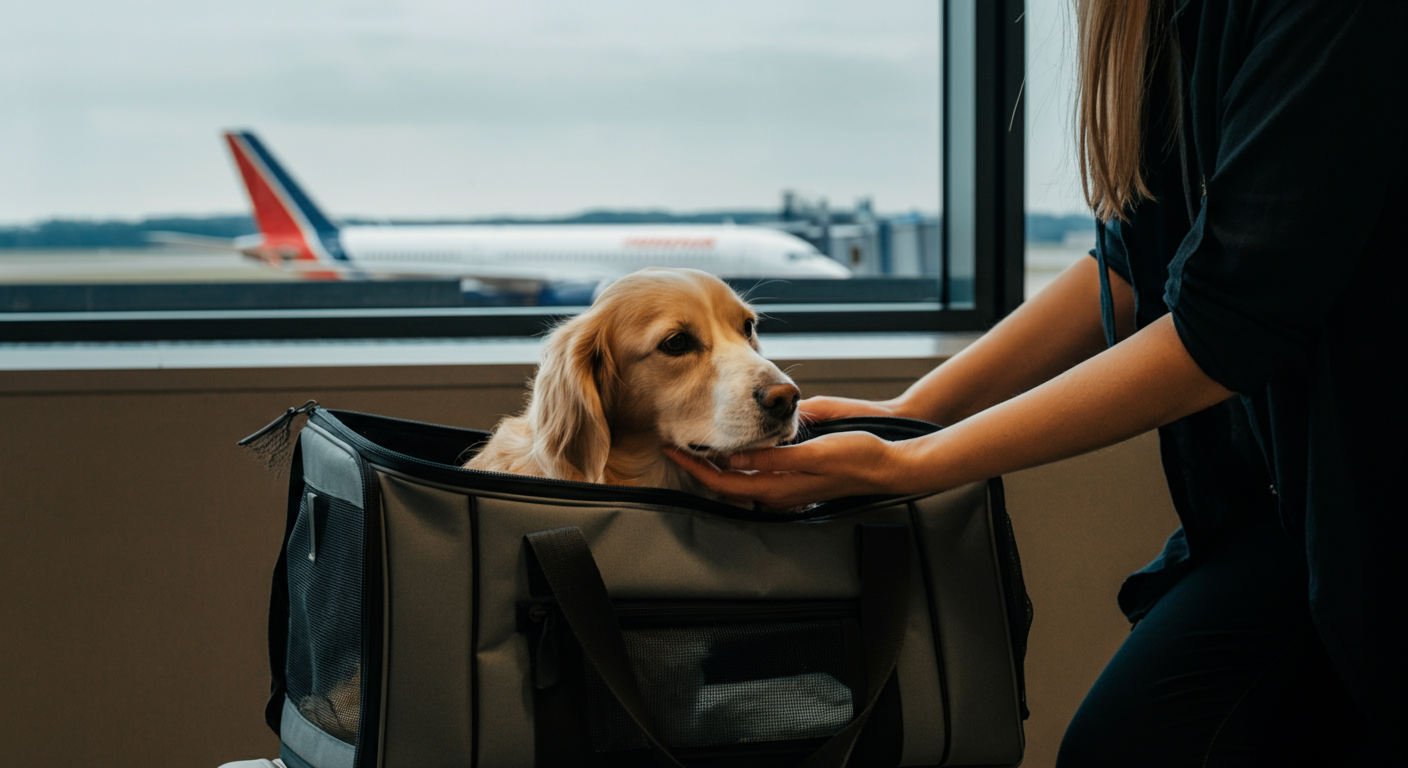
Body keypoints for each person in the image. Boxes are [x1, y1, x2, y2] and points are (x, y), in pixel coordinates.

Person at [668, 0, 1405, 763]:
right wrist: (913, 412)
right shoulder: (1151, 27)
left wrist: (916, 463)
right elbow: (1130, 262)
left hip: (1369, 492)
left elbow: (1226, 325)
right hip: (1287, 504)